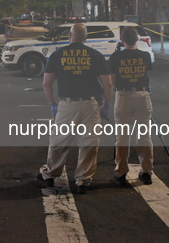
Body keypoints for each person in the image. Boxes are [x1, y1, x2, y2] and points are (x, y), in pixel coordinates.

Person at [36, 23, 113, 194]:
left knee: (59, 141)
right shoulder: (95, 55)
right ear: (86, 38)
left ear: (69, 36)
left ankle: (50, 175)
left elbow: (46, 83)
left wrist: (53, 104)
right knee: (89, 143)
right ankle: (83, 181)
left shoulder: (58, 55)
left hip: (67, 104)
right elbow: (107, 84)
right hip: (90, 104)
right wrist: (107, 105)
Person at [109, 27, 154, 187]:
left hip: (123, 96)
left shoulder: (116, 57)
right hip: (142, 96)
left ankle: (121, 172)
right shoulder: (145, 56)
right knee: (144, 134)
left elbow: (112, 81)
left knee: (122, 136)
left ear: (122, 40)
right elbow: (147, 73)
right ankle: (147, 171)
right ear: (137, 39)